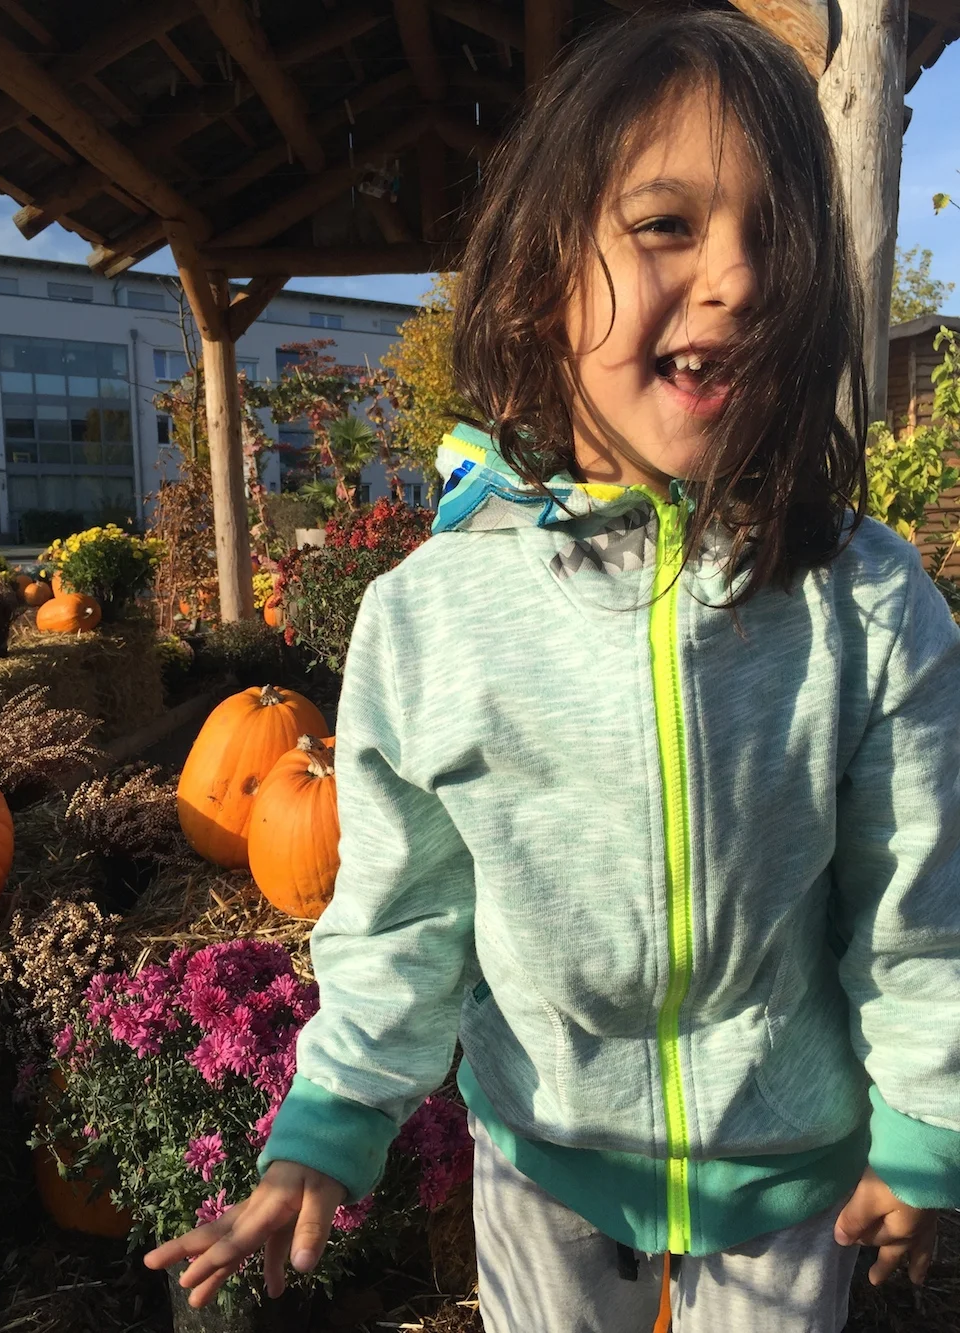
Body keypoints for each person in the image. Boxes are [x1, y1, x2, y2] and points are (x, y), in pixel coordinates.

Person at [146, 10, 960, 1330]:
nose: (739, 278)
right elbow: (402, 918)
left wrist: (928, 1125)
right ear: (538, 282)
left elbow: (918, 904)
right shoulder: (436, 617)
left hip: (790, 1166)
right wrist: (331, 1123)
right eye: (666, 225)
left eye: (776, 235)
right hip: (543, 1159)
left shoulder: (867, 602)